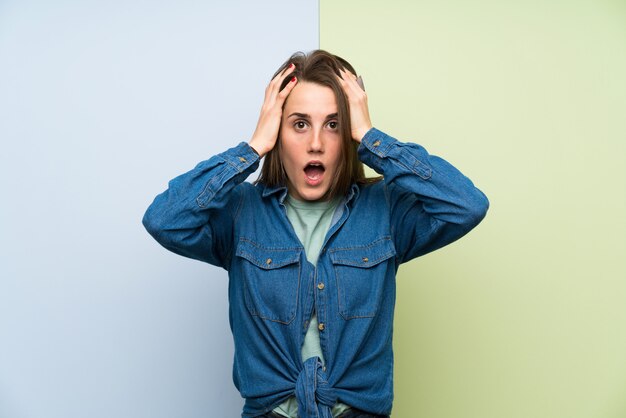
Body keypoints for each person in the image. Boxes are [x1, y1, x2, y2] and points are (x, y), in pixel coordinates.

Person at [142, 50, 489, 418]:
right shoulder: (242, 212)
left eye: (334, 124)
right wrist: (252, 148)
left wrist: (371, 137)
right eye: (300, 124)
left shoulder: (386, 210)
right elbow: (164, 219)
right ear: (278, 131)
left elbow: (466, 205)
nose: (316, 144)